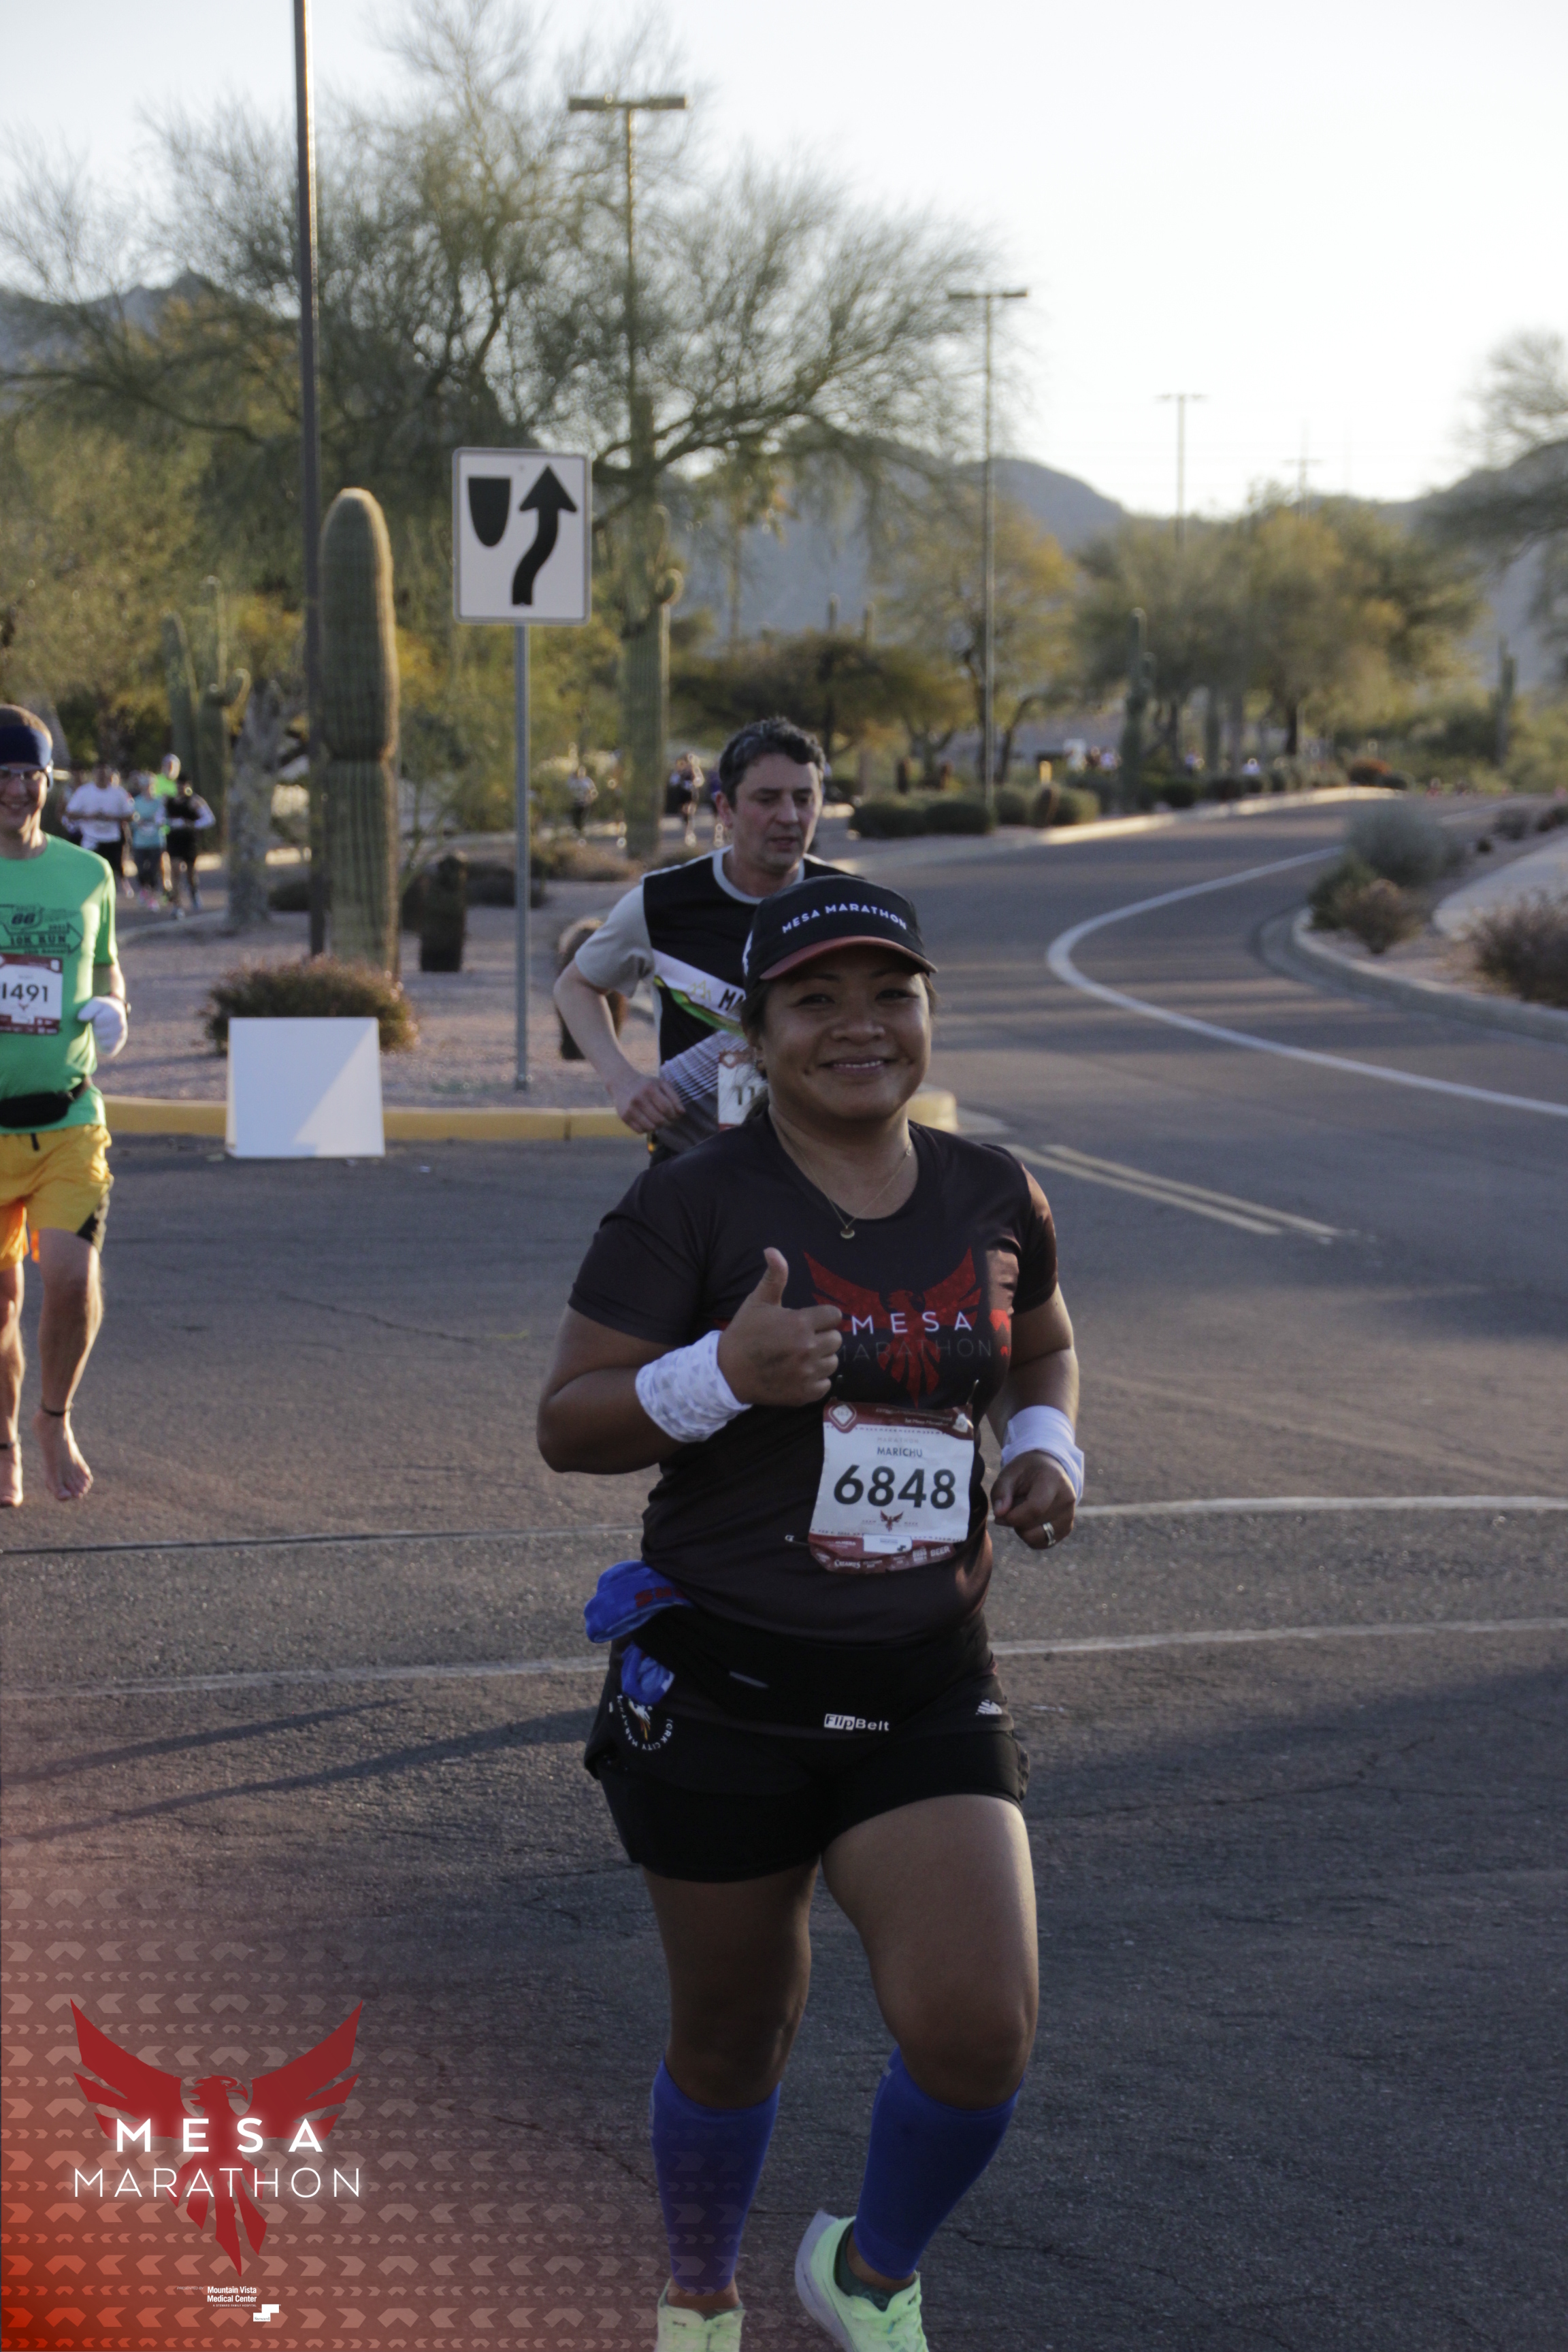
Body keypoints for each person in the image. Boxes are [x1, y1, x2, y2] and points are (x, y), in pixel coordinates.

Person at [539, 872, 1082, 2350]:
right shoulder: (689, 1201)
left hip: (923, 1677)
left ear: (926, 1013)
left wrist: (1044, 1446)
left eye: (889, 995)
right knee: (732, 2039)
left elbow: (1040, 1346)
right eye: (815, 1001)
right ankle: (700, 2297)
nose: (859, 1026)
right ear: (754, 1033)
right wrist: (718, 1373)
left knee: (978, 2035)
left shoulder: (991, 1189)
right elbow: (570, 1423)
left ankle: (869, 2275)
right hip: (724, 1690)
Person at [554, 716, 843, 1157]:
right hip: (692, 1167)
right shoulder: (663, 902)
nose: (789, 816)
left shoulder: (847, 904)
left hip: (818, 1166)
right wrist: (622, 1080)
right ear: (725, 808)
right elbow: (574, 986)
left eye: (804, 799)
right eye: (767, 799)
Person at [0, 706, 130, 1506]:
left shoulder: (88, 874)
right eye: (3, 775)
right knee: (1, 1305)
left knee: (73, 1279)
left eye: (31, 775)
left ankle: (53, 1418)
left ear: (50, 782)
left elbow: (107, 965)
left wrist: (114, 1007)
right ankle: (2, 1437)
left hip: (68, 1119)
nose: (17, 789)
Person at [65, 764, 134, 893]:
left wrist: (113, 817)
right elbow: (70, 813)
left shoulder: (119, 793)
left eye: (104, 774)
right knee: (89, 869)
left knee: (111, 872)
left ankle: (110, 894)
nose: (101, 777)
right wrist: (88, 816)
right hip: (90, 839)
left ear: (109, 776)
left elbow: (131, 815)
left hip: (112, 839)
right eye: (99, 774)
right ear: (94, 775)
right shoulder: (84, 791)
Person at [163, 773, 215, 912]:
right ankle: (177, 905)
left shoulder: (195, 801)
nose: (180, 788)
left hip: (189, 840)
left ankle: (193, 890)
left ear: (188, 786)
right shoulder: (169, 802)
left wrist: (193, 825)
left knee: (190, 872)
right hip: (174, 838)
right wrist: (167, 822)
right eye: (178, 785)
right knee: (175, 870)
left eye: (183, 785)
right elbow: (159, 817)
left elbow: (209, 819)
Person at [129, 774, 169, 907]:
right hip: (140, 842)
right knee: (141, 870)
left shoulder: (160, 802)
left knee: (153, 871)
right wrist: (137, 823)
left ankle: (152, 897)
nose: (148, 788)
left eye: (150, 785)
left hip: (156, 842)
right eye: (145, 785)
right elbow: (131, 820)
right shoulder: (136, 802)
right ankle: (143, 890)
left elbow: (165, 820)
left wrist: (160, 822)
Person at [568, 761, 599, 836]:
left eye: (583, 772)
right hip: (576, 802)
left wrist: (591, 797)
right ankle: (577, 830)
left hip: (585, 802)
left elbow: (594, 791)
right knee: (576, 817)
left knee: (583, 817)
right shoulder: (574, 782)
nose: (581, 773)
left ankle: (581, 831)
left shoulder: (587, 781)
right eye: (580, 772)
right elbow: (569, 791)